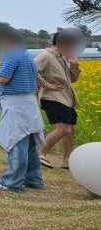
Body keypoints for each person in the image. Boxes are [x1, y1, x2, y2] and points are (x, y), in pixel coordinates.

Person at [0, 27, 44, 192]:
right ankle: (34, 179)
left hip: (16, 103)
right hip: (29, 102)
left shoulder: (11, 55)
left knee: (16, 142)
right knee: (30, 144)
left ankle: (12, 182)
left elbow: (4, 79)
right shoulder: (26, 55)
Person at [36, 29, 82, 170]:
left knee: (70, 130)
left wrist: (74, 64)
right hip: (52, 97)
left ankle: (67, 161)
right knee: (64, 129)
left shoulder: (63, 58)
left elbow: (73, 79)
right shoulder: (45, 56)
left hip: (66, 98)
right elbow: (32, 72)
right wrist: (47, 85)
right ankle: (40, 153)